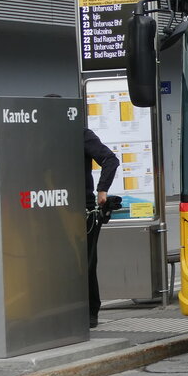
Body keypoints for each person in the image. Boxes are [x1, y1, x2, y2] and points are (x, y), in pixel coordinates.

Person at [84, 128, 119, 328]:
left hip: (83, 209)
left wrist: (102, 190)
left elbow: (110, 160)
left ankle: (90, 311)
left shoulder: (80, 134)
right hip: (54, 207)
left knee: (86, 262)